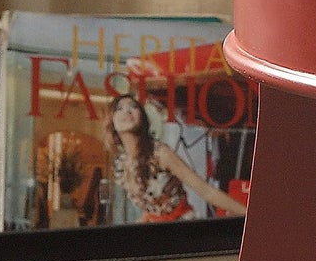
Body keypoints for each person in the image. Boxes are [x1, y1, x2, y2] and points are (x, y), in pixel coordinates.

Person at [104, 90, 244, 222]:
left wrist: (248, 214)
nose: (127, 111)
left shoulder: (159, 153)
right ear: (112, 123)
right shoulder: (121, 164)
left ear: (142, 117)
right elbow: (149, 203)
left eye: (133, 106)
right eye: (119, 109)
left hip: (180, 225)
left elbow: (206, 191)